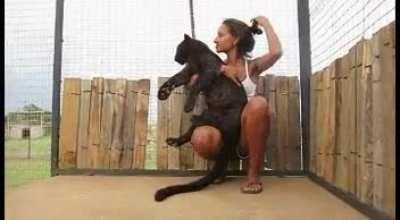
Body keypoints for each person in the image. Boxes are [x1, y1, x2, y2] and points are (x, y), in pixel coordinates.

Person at [188, 15, 282, 193]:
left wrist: (266, 23)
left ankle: (253, 175)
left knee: (259, 103)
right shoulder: (214, 67)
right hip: (222, 137)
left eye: (221, 35)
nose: (215, 39)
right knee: (200, 137)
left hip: (245, 139)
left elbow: (276, 52)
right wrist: (220, 70)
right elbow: (192, 81)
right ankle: (220, 168)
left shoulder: (251, 67)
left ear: (236, 39)